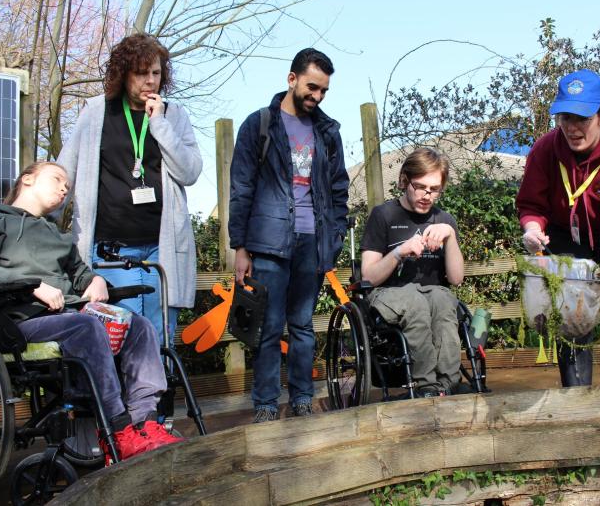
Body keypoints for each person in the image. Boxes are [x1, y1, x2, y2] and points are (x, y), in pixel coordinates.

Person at [0, 162, 183, 462]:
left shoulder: (56, 235)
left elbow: (79, 273)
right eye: (57, 179)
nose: (64, 188)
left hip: (68, 315)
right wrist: (32, 285)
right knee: (85, 327)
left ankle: (145, 423)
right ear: (28, 179)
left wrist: (96, 280)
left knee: (137, 326)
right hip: (16, 320)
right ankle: (117, 429)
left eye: (68, 186)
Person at [58, 33, 202, 348]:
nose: (150, 81)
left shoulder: (174, 115)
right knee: (118, 336)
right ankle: (120, 398)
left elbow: (190, 171)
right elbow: (64, 172)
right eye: (141, 72)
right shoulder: (97, 112)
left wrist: (160, 123)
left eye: (156, 73)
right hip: (111, 250)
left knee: (158, 337)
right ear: (123, 74)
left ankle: (156, 398)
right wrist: (35, 223)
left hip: (160, 250)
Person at [229, 48, 349, 422]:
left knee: (302, 326)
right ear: (292, 79)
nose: (317, 96)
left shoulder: (328, 132)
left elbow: (339, 188)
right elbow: (241, 187)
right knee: (267, 327)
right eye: (312, 87)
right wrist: (241, 247)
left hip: (312, 243)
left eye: (325, 90)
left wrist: (335, 236)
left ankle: (301, 398)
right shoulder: (259, 124)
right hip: (268, 243)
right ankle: (265, 405)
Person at [516, 68, 600, 387]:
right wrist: (532, 228)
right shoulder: (545, 150)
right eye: (565, 117)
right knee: (572, 318)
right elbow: (531, 204)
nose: (572, 127)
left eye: (582, 118)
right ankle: (576, 404)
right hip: (566, 236)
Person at [360, 147, 467, 397]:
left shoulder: (445, 220)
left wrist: (450, 237)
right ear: (404, 180)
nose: (427, 195)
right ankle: (425, 385)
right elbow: (368, 277)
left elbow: (456, 279)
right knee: (415, 302)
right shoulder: (383, 215)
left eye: (434, 189)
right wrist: (399, 252)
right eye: (420, 186)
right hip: (388, 292)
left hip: (434, 291)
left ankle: (448, 383)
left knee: (442, 301)